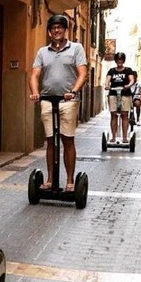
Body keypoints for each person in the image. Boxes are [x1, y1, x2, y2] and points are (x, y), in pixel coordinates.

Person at [29, 14, 88, 192]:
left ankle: (70, 181)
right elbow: (34, 75)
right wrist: (35, 92)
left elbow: (83, 74)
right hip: (47, 100)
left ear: (65, 30)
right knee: (50, 141)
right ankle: (50, 180)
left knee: (67, 140)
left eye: (60, 27)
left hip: (68, 101)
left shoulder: (76, 49)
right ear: (49, 31)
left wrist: (74, 91)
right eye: (53, 28)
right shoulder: (42, 52)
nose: (56, 30)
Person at [104, 52, 134, 143]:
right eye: (118, 60)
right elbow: (107, 80)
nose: (119, 61)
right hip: (113, 94)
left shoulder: (128, 70)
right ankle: (113, 137)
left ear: (123, 60)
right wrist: (106, 85)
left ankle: (125, 137)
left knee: (124, 115)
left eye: (121, 60)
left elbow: (132, 79)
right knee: (113, 115)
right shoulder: (112, 71)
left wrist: (128, 85)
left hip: (125, 94)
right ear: (116, 61)